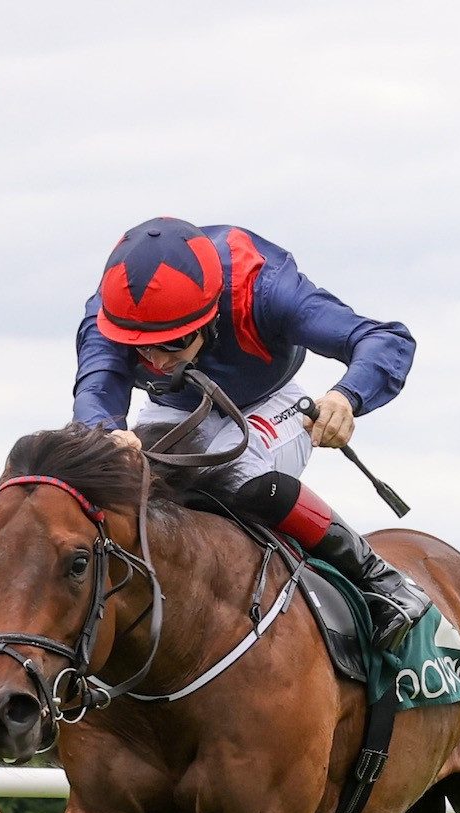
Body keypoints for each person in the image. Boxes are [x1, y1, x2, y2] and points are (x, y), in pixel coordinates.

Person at [73, 217, 429, 652]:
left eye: (170, 345)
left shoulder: (265, 287)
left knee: (233, 473)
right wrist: (106, 433)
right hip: (176, 409)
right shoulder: (111, 311)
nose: (153, 362)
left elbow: (383, 339)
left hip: (271, 401)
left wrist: (345, 398)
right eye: (138, 346)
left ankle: (381, 580)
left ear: (211, 317)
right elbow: (96, 389)